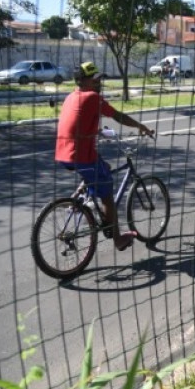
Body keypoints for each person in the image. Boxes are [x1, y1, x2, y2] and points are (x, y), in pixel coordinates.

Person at [55, 61, 155, 251]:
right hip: (81, 155)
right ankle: (117, 238)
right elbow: (118, 116)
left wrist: (97, 131)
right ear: (82, 81)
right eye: (94, 80)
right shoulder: (93, 97)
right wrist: (141, 127)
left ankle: (79, 200)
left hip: (63, 153)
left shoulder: (71, 97)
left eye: (99, 79)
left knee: (104, 168)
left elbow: (79, 121)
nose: (98, 83)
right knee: (108, 194)